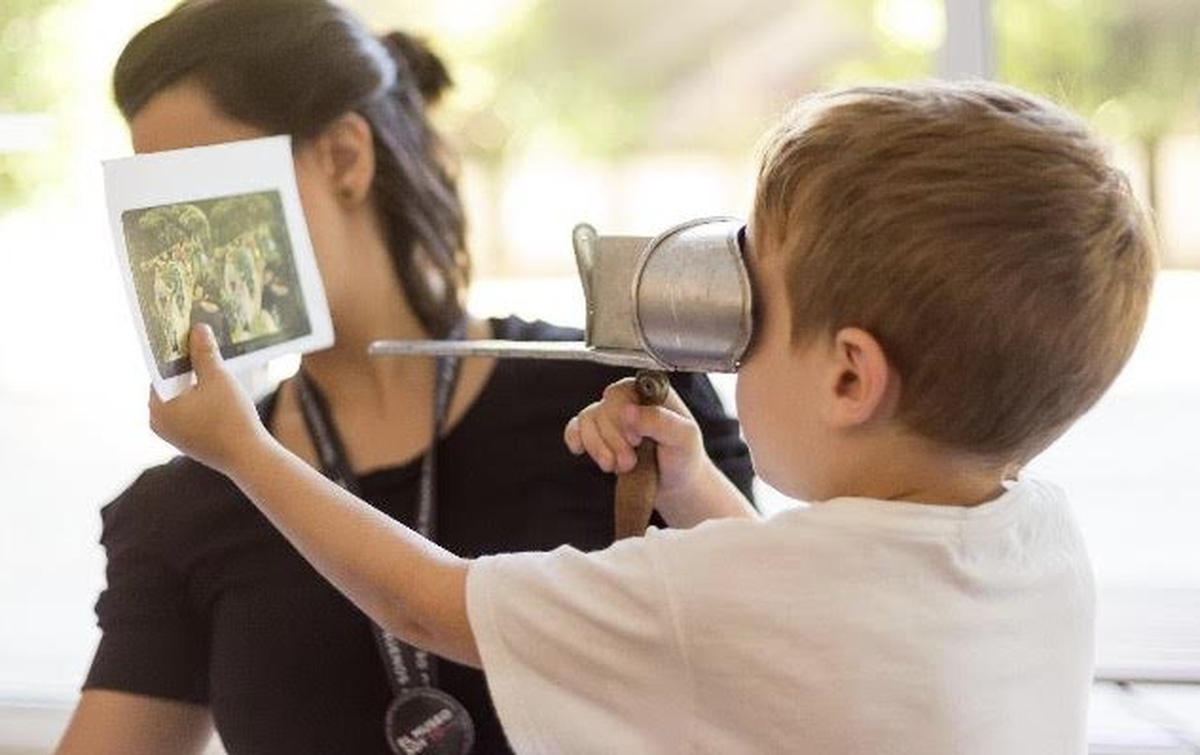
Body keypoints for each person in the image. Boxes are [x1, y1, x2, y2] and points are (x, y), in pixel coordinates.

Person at [143, 80, 1155, 754]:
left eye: (753, 312)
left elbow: (428, 608)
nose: (729, 343)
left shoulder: (720, 592)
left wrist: (243, 450)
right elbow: (807, 620)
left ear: (850, 378)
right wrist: (694, 484)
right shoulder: (1037, 540)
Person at [55, 2, 752, 754]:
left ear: (344, 158)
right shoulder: (188, 505)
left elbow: (775, 649)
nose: (168, 240)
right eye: (145, 203)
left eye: (193, 187)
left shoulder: (628, 412)